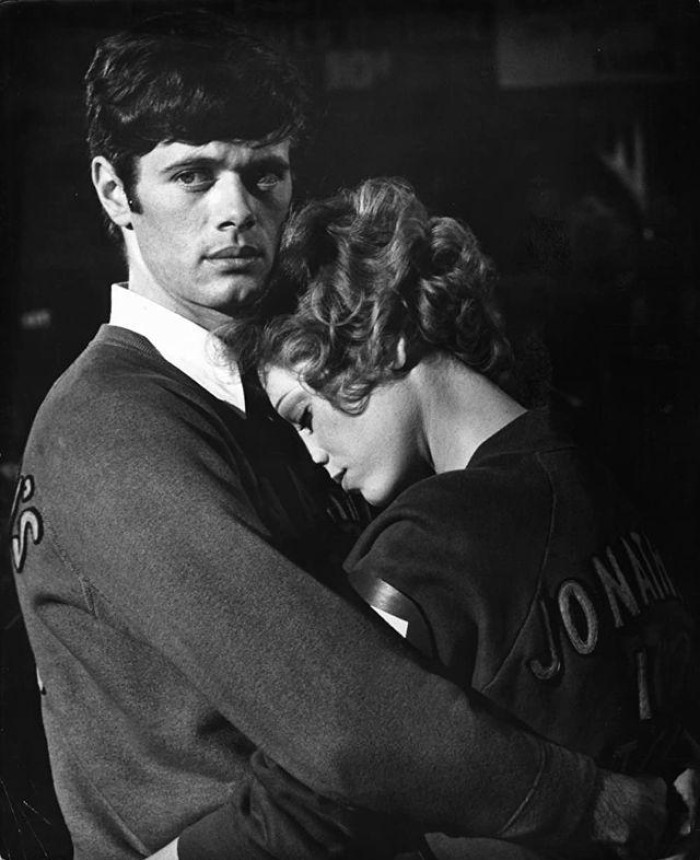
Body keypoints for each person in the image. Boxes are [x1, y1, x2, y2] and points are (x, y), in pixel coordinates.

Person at [7, 11, 683, 860]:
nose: (236, 211)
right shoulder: (108, 425)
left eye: (265, 174)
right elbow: (344, 718)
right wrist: (592, 800)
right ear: (116, 193)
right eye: (193, 175)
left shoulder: (278, 387)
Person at [245, 177, 700, 859]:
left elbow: (306, 801)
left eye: (304, 414)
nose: (313, 454)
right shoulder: (607, 463)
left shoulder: (425, 548)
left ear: (384, 341)